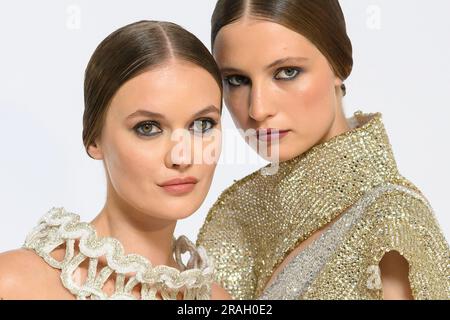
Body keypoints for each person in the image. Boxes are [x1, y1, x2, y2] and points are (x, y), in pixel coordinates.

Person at [197, 0, 450, 300]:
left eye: (286, 72)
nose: (258, 108)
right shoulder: (244, 224)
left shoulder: (391, 225)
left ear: (339, 66)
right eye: (237, 80)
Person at [0, 20, 230, 300]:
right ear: (94, 139)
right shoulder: (16, 285)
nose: (182, 156)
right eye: (148, 128)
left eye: (202, 125)